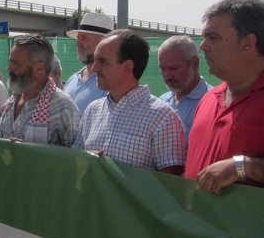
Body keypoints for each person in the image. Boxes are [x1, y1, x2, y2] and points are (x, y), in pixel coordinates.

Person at [73, 29, 186, 174]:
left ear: (127, 67)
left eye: (102, 61)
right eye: (95, 60)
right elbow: (75, 160)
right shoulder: (93, 111)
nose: (94, 69)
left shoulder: (163, 118)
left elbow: (169, 186)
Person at [185, 0, 264, 194]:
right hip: (196, 223)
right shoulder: (208, 99)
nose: (203, 46)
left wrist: (242, 167)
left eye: (213, 38)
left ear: (248, 42)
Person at [0, 35, 81, 147]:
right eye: (10, 63)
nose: (10, 69)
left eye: (16, 64)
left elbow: (77, 158)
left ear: (39, 68)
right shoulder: (10, 103)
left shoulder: (62, 107)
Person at [157, 35, 212, 140]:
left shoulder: (213, 101)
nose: (167, 75)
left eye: (174, 68)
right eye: (163, 69)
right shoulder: (162, 101)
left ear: (194, 63)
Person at [63, 12, 115, 113]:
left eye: (84, 38)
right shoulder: (73, 80)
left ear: (103, 42)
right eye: (78, 38)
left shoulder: (112, 83)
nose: (78, 43)